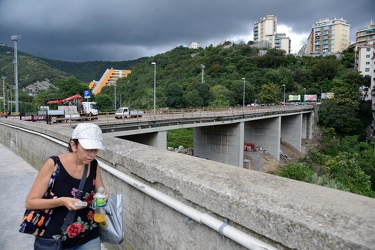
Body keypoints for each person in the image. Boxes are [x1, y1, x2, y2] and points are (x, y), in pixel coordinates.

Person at [25, 123, 108, 249]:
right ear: (73, 145)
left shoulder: (94, 165)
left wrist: (103, 196)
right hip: (55, 238)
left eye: (95, 149)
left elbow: (101, 191)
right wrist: (62, 201)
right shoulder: (54, 164)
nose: (92, 154)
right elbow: (30, 202)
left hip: (88, 235)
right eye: (87, 149)